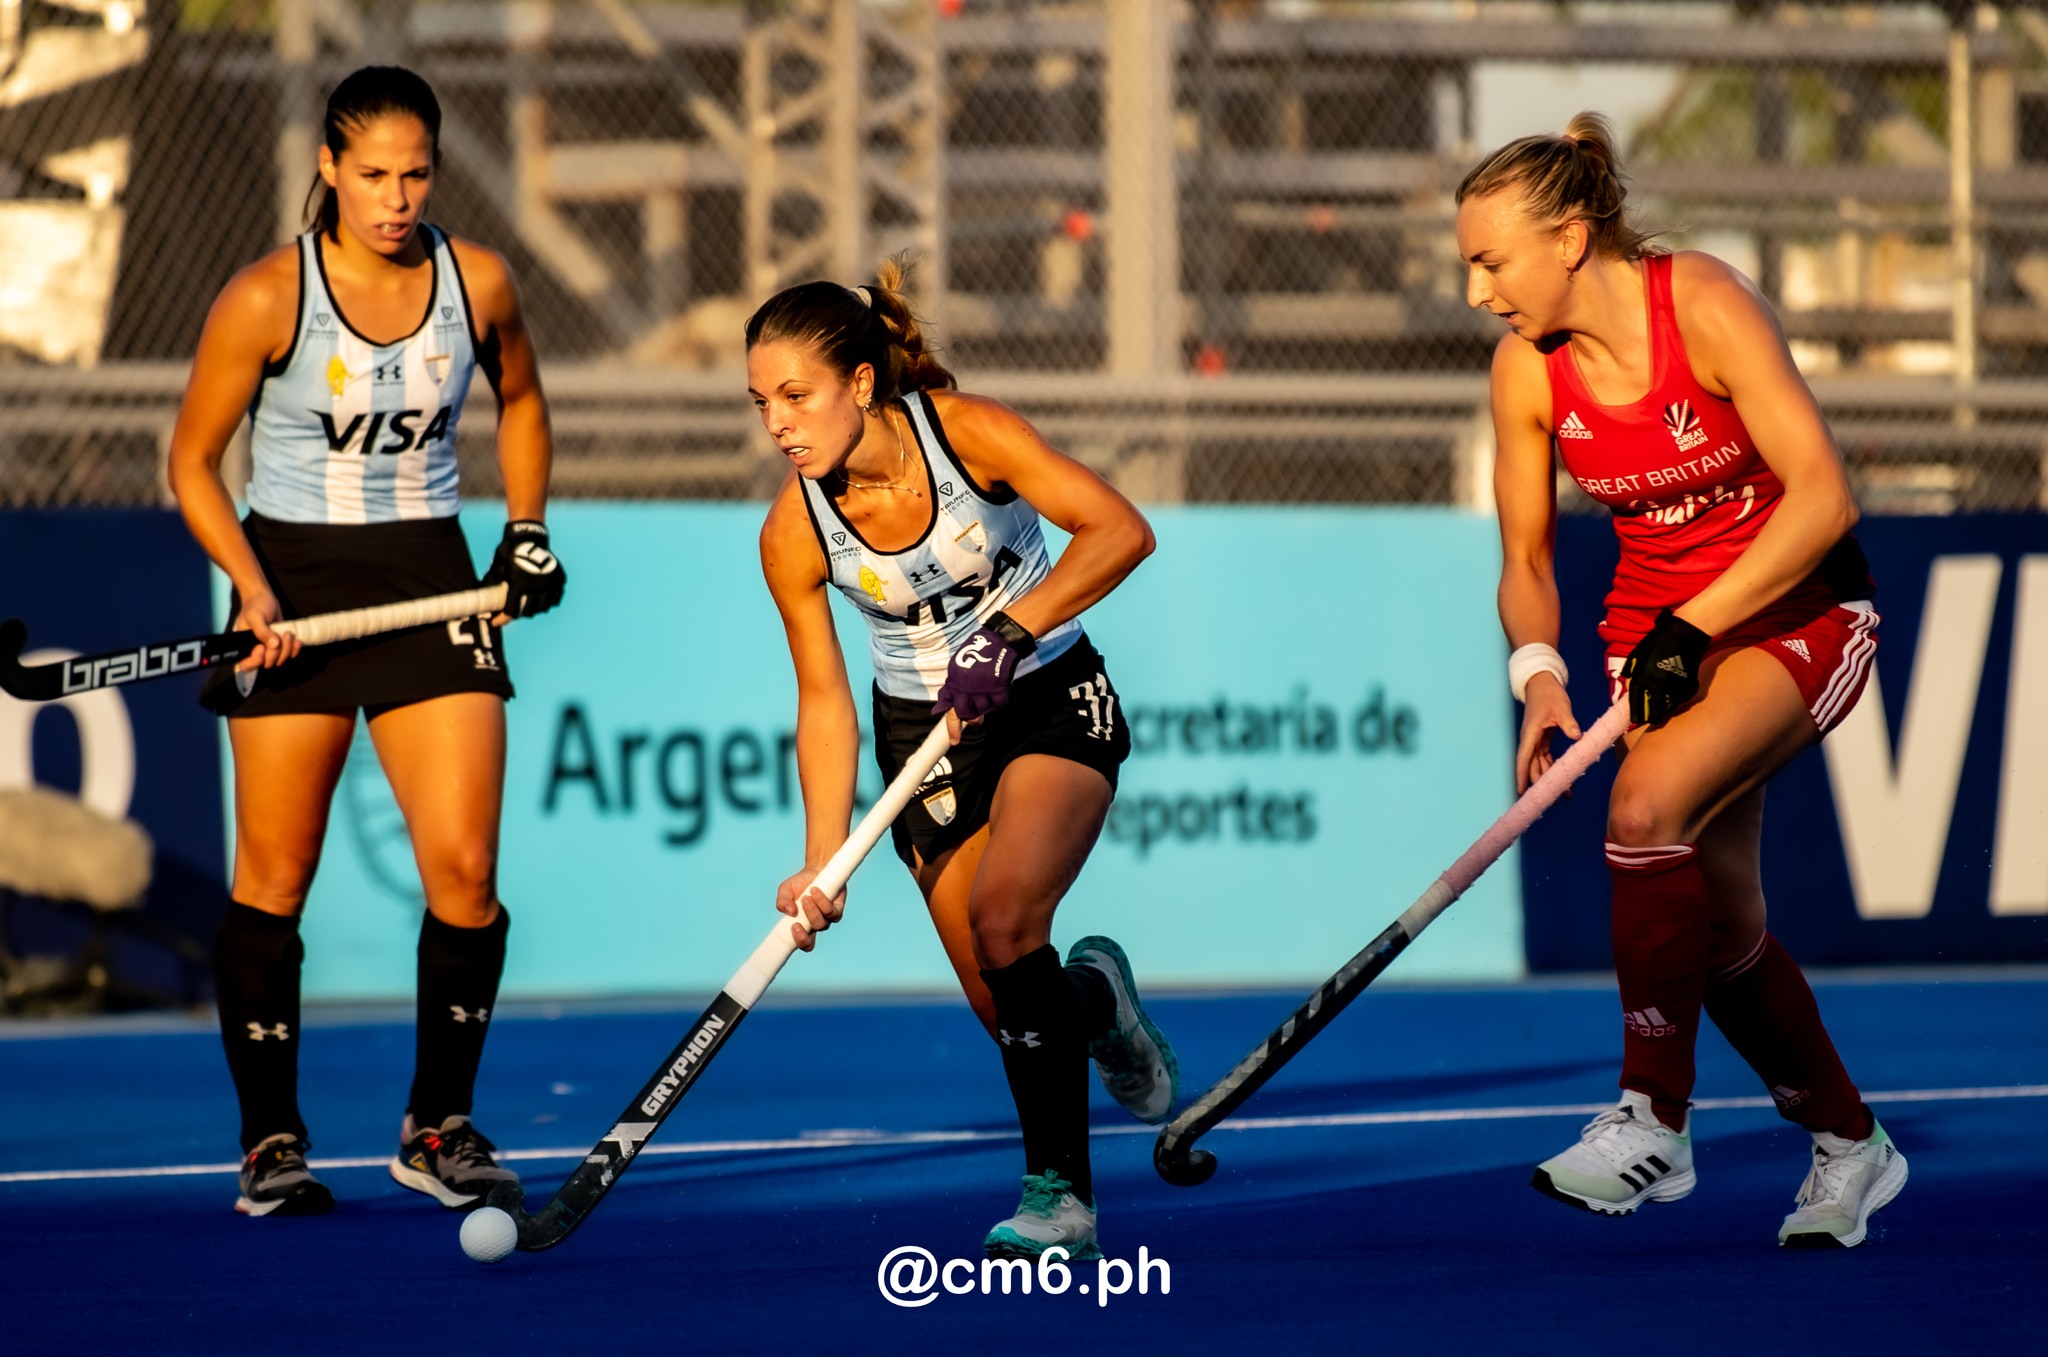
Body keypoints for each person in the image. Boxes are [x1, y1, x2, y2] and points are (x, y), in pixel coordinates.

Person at [1456, 112, 1905, 1248]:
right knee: (1718, 920)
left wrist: (1693, 626)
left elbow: (1823, 496)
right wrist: (1538, 675)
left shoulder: (1701, 303)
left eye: (1490, 262)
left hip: (1796, 613)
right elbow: (1524, 557)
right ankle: (1851, 1143)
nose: (1476, 292)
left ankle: (1652, 1120)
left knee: (1643, 810)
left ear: (1567, 239)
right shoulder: (1526, 372)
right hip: (1653, 639)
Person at [166, 65, 565, 1218]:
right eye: (375, 174)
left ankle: (437, 1127)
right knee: (274, 878)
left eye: (416, 174)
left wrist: (525, 531)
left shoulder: (476, 281)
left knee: (467, 873)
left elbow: (522, 400)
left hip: (431, 579)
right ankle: (271, 1142)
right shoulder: (265, 297)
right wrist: (250, 591)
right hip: (289, 582)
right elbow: (191, 460)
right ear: (329, 168)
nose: (397, 198)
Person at [751, 263, 1177, 1260]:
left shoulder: (967, 434)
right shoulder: (792, 531)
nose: (778, 423)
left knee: (1004, 921)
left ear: (861, 382)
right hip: (923, 735)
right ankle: (1098, 1001)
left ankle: (1058, 1200)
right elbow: (824, 701)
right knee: (1008, 1006)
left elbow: (1121, 530)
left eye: (796, 395)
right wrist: (823, 856)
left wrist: (1012, 630)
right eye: (761, 402)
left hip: (1046, 693)